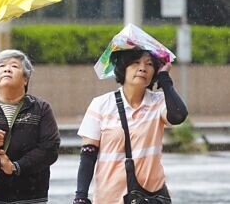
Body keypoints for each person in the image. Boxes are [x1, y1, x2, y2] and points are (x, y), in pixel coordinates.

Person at [73, 49, 188, 204]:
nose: (142, 68)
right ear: (123, 68)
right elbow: (88, 155)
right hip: (109, 198)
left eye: (149, 64)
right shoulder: (101, 104)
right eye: (135, 63)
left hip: (150, 197)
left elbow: (178, 115)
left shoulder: (159, 102)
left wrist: (165, 78)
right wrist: (81, 196)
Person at [0, 49, 60, 204]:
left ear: (25, 79)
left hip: (30, 196)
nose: (7, 69)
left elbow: (50, 149)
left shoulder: (40, 109)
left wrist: (15, 166)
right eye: (1, 66)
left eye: (14, 66)